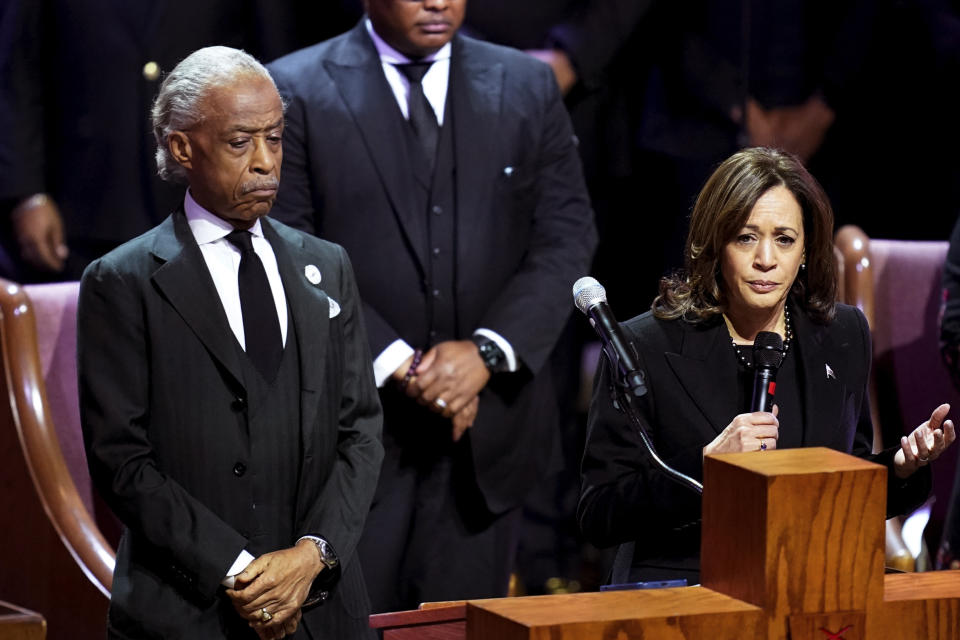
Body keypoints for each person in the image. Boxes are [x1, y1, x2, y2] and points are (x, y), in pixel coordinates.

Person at [267, 0, 597, 613]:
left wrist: (487, 353)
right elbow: (285, 251)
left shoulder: (525, 84)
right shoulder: (294, 88)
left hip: (488, 443)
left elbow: (567, 236)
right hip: (351, 442)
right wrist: (397, 362)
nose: (438, 1)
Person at [78, 47, 383, 639]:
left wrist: (311, 557)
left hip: (323, 612)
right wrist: (244, 574)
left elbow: (360, 432)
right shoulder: (123, 280)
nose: (266, 163)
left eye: (275, 138)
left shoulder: (327, 265)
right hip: (189, 614)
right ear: (182, 148)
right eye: (242, 143)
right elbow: (122, 461)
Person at [578, 147, 956, 584]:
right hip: (686, 588)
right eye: (745, 237)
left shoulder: (842, 334)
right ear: (715, 244)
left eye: (784, 239)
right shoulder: (642, 346)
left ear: (805, 251)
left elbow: (844, 485)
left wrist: (903, 466)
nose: (766, 259)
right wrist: (708, 466)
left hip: (808, 582)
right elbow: (598, 513)